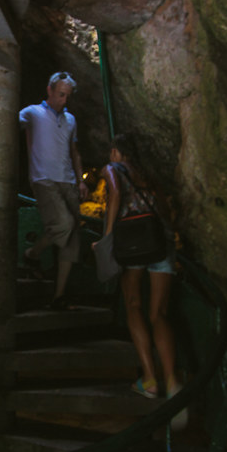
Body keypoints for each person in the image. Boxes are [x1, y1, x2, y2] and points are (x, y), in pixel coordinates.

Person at [102, 133, 184, 408]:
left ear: (115, 152)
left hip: (133, 242)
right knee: (159, 313)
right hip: (161, 241)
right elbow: (164, 209)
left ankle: (149, 380)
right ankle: (173, 380)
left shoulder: (112, 168)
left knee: (133, 303)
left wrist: (109, 236)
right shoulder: (149, 173)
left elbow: (114, 193)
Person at [19, 71, 88, 309]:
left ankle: (58, 296)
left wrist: (80, 180)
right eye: (60, 94)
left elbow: (74, 152)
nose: (64, 100)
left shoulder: (71, 119)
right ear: (49, 90)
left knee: (71, 239)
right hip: (43, 179)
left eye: (68, 96)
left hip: (68, 181)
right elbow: (6, 126)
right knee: (65, 224)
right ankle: (32, 255)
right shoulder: (31, 113)